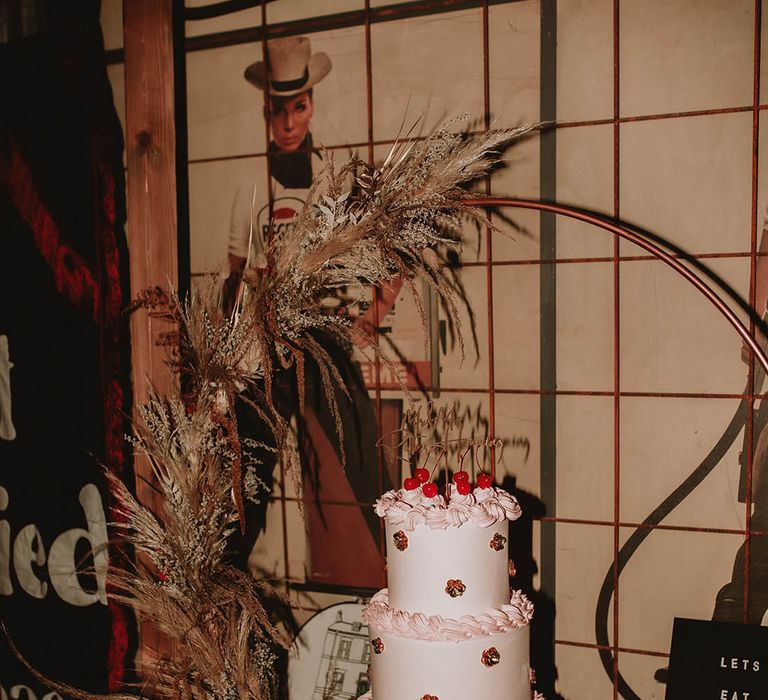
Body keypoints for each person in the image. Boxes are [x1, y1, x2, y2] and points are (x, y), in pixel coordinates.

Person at [224, 37, 396, 582]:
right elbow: (236, 276)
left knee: (361, 453)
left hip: (321, 341)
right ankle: (221, 578)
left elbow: (387, 252)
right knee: (246, 469)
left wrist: (371, 314)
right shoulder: (250, 184)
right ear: (266, 113)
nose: (290, 122)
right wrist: (227, 359)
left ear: (312, 105)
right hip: (265, 345)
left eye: (299, 107)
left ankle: (408, 566)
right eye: (279, 110)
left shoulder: (334, 179)